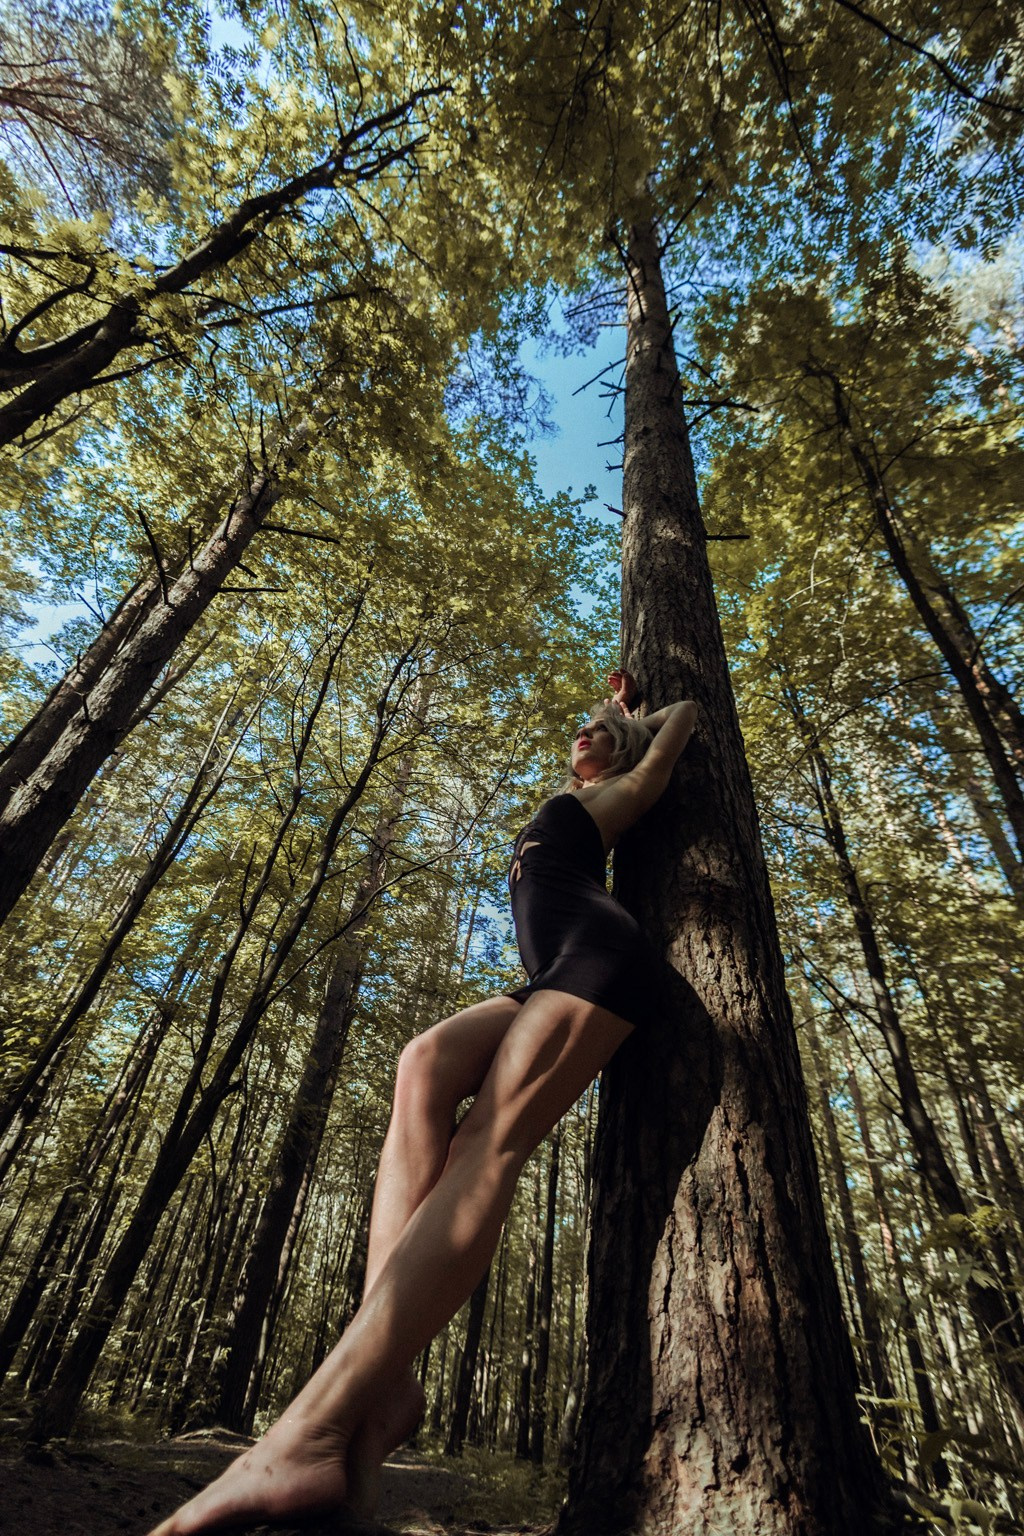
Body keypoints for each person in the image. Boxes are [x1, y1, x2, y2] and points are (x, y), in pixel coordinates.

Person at [149, 669, 697, 1535]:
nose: (583, 732)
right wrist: (616, 712)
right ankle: (379, 1398)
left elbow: (686, 718)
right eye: (580, 728)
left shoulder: (623, 791)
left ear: (624, 751)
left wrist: (634, 720)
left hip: (601, 958)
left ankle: (303, 1436)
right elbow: (605, 745)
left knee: (489, 1141)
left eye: (598, 730)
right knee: (422, 1064)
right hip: (552, 972)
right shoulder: (571, 793)